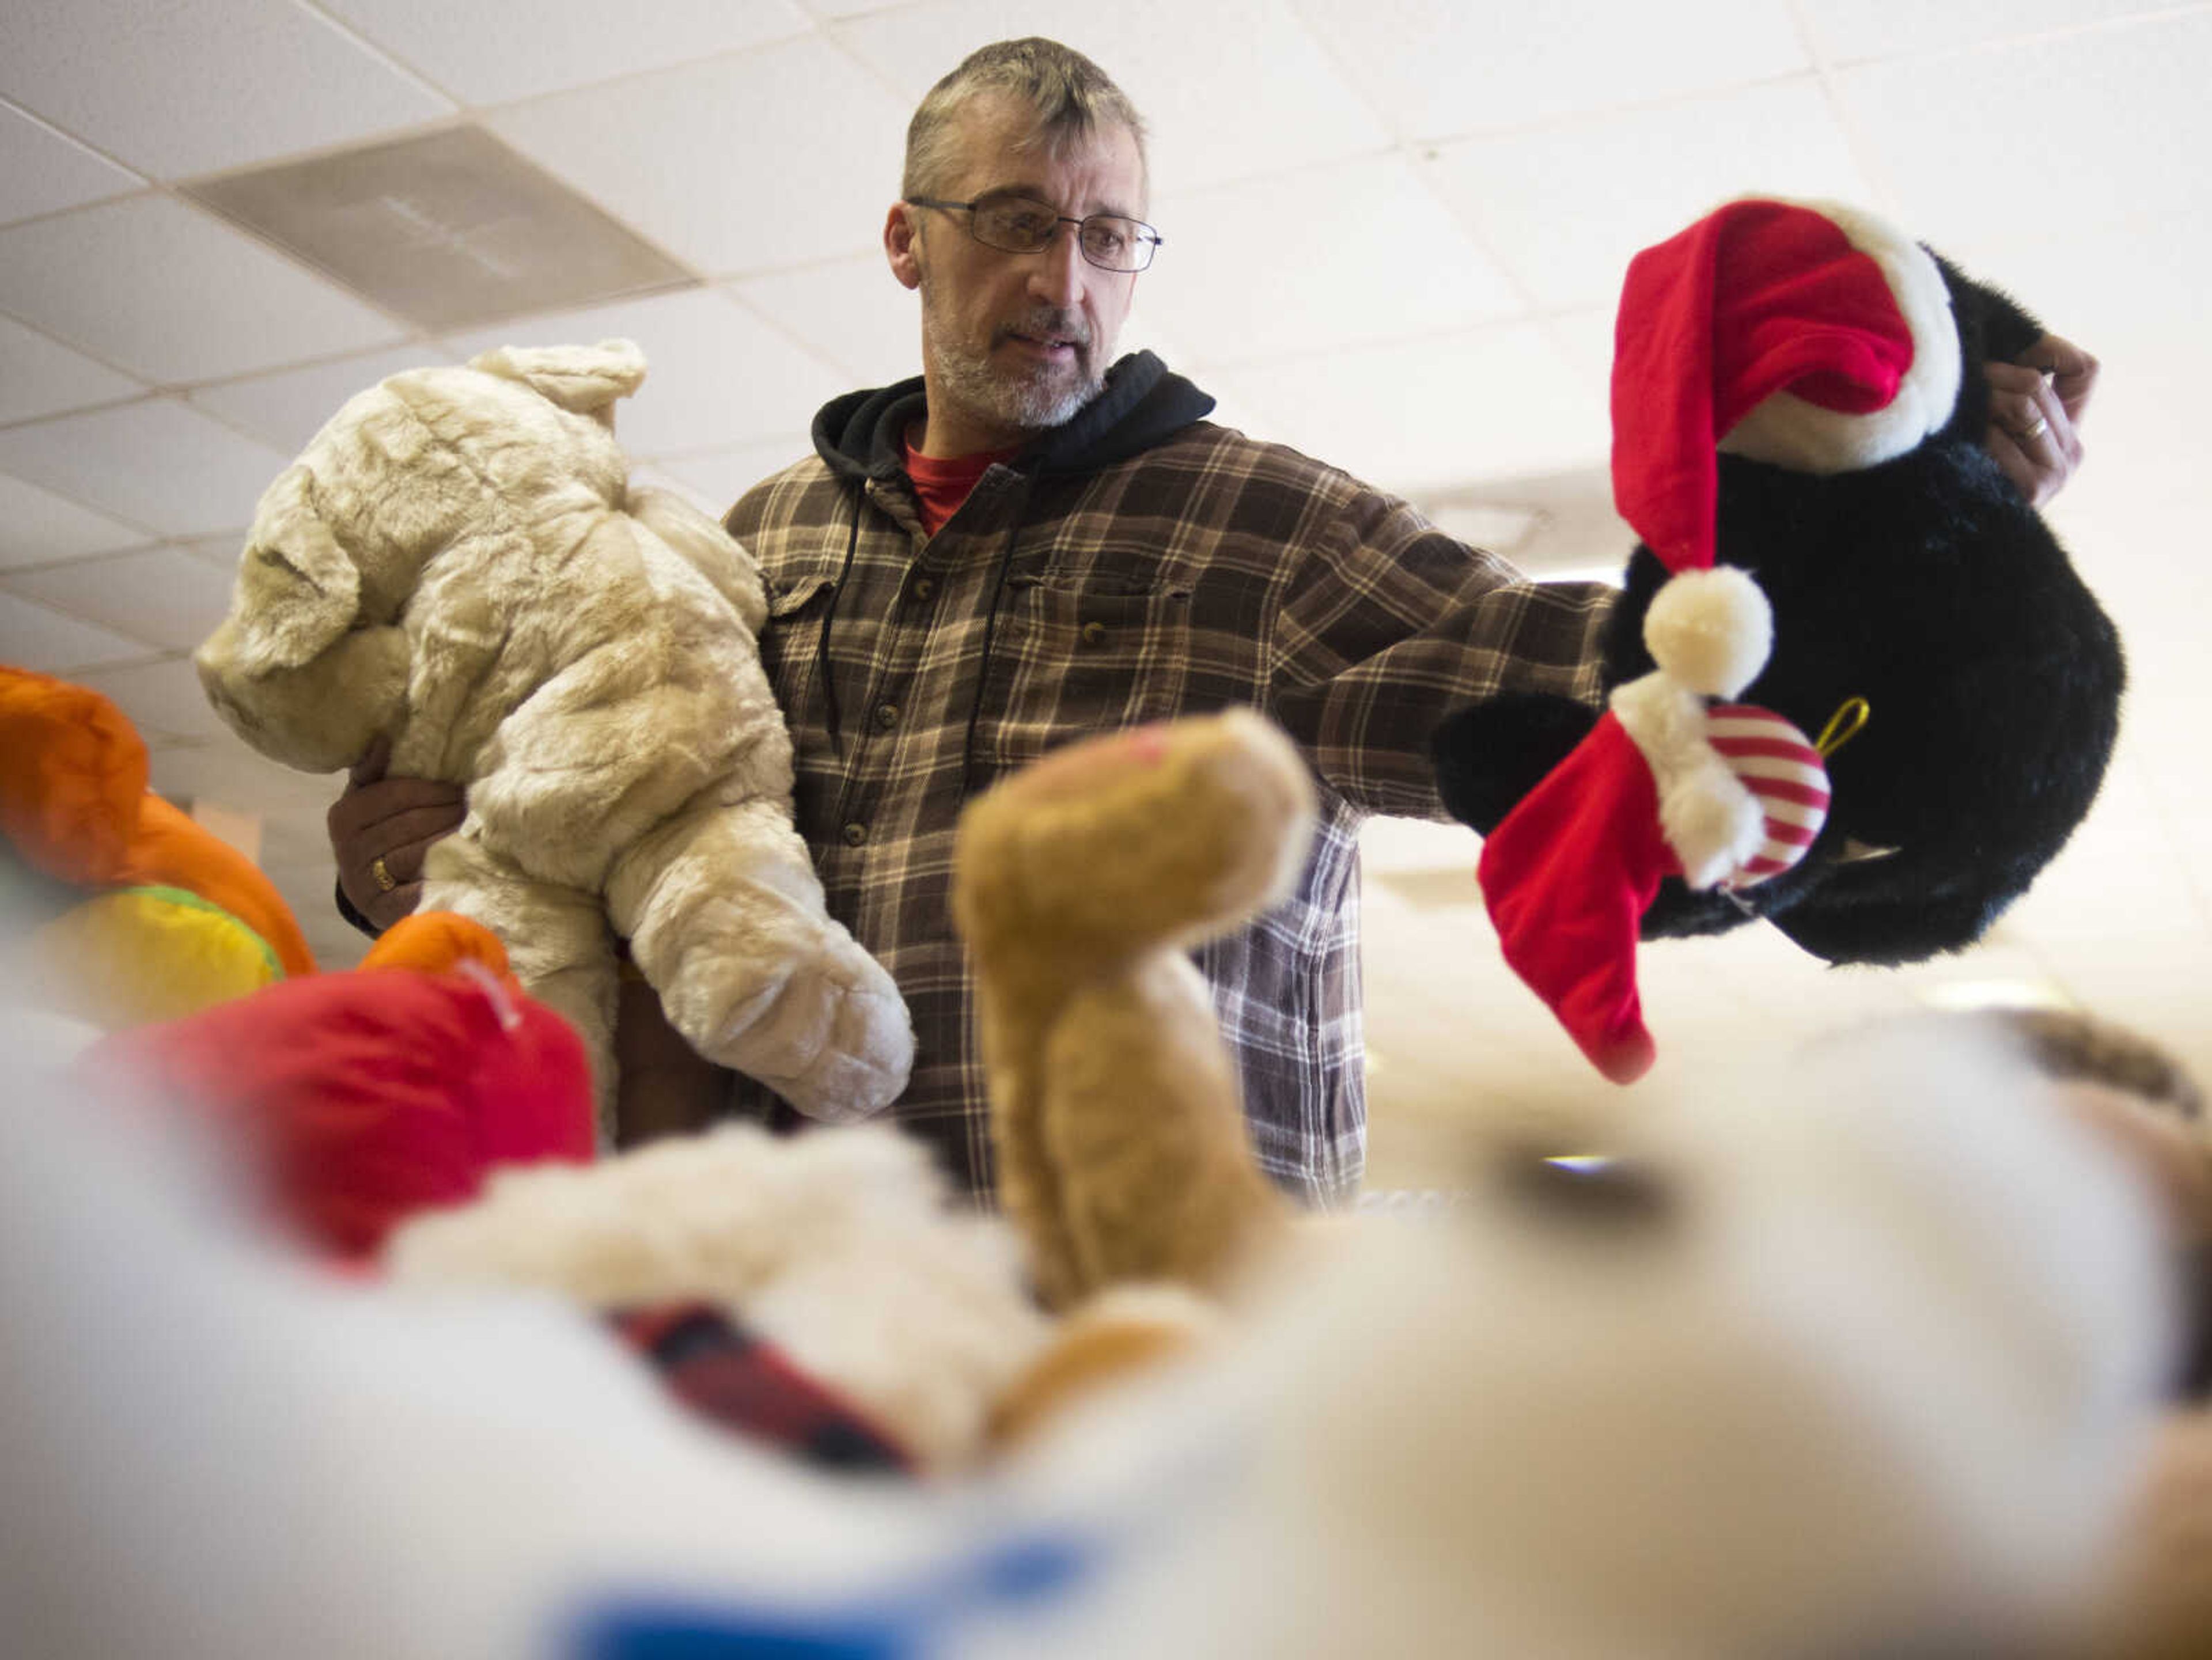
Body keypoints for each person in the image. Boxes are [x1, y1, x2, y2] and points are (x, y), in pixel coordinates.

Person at [329, 37, 2099, 1206]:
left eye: (1109, 235)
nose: (1063, 281)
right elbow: (615, 850)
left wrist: (1921, 527)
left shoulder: (1259, 523)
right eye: (1016, 224)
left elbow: (1610, 677)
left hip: (1165, 1350)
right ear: (905, 240)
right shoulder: (751, 550)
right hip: (812, 1326)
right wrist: (404, 857)